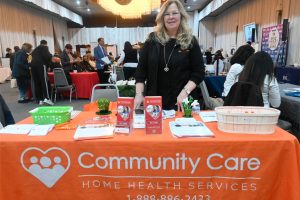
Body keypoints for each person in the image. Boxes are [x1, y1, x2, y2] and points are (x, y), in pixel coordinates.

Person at [134, 0, 205, 111]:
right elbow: (141, 71)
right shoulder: (152, 40)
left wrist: (185, 92)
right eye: (167, 14)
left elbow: (199, 72)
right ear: (162, 18)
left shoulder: (191, 41)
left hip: (183, 101)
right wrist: (139, 94)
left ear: (181, 15)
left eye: (174, 13)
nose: (170, 17)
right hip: (155, 102)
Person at [30, 40, 53, 105]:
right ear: (45, 44)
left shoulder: (34, 49)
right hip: (41, 65)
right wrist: (48, 65)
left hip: (32, 66)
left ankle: (40, 100)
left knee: (37, 83)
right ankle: (47, 98)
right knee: (44, 82)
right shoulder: (45, 47)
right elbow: (47, 56)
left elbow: (30, 57)